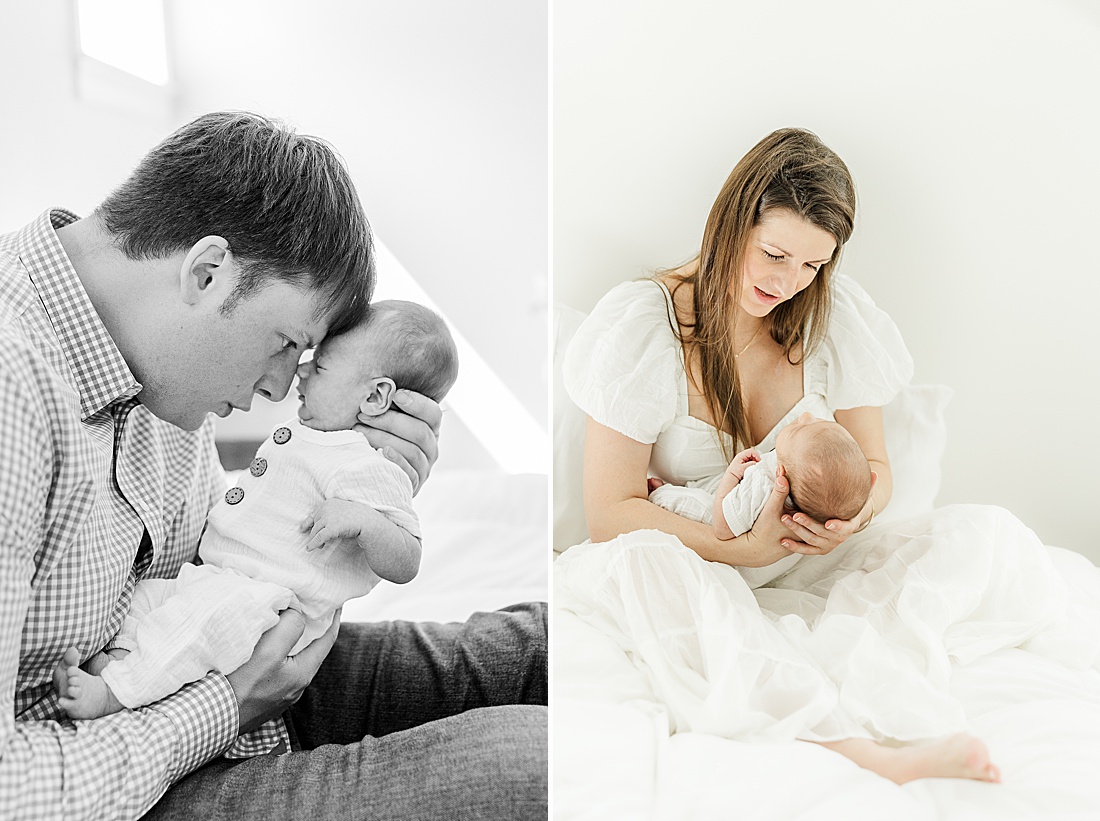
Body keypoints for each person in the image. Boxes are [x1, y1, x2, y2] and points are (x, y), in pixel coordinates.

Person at [0, 111, 546, 820]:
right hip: (110, 775)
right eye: (288, 342)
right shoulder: (15, 383)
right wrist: (224, 707)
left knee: (537, 646)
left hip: (209, 675)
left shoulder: (155, 366)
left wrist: (365, 476)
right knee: (532, 764)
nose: (284, 386)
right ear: (207, 271)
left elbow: (218, 562)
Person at [560, 127, 1005, 783]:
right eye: (774, 253)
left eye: (812, 265)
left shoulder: (833, 317)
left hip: (801, 560)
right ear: (731, 220)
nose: (788, 281)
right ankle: (861, 752)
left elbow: (878, 472)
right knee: (645, 562)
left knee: (979, 536)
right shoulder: (644, 324)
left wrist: (848, 520)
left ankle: (877, 703)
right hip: (696, 554)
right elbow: (609, 513)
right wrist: (737, 550)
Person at [53, 300, 459, 752]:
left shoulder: (368, 464)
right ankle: (125, 660)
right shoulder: (316, 434)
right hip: (220, 577)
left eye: (319, 366)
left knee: (201, 622)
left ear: (375, 397)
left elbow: (408, 558)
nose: (299, 374)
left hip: (267, 603)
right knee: (150, 601)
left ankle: (115, 693)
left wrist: (366, 523)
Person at [649, 411, 874, 588]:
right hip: (774, 566)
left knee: (694, 503)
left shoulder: (766, 481)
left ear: (782, 470)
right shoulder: (812, 495)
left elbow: (722, 528)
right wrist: (860, 512)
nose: (805, 416)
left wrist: (733, 475)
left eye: (800, 429)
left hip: (737, 562)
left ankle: (658, 495)